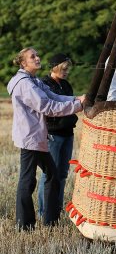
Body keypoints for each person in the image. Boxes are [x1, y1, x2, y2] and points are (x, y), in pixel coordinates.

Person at [7, 47, 85, 231]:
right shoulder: (25, 84)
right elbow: (47, 106)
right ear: (23, 63)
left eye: (37, 54)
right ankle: (25, 225)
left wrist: (77, 99)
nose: (37, 57)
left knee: (52, 175)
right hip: (30, 138)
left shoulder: (33, 81)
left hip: (36, 138)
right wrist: (77, 106)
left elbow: (53, 95)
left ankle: (50, 221)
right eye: (32, 56)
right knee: (28, 181)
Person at [38, 53, 77, 217]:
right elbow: (51, 107)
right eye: (64, 68)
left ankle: (56, 211)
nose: (67, 71)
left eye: (68, 68)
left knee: (62, 174)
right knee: (49, 174)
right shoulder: (44, 84)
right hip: (53, 135)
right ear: (55, 67)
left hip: (68, 134)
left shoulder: (66, 85)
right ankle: (44, 211)